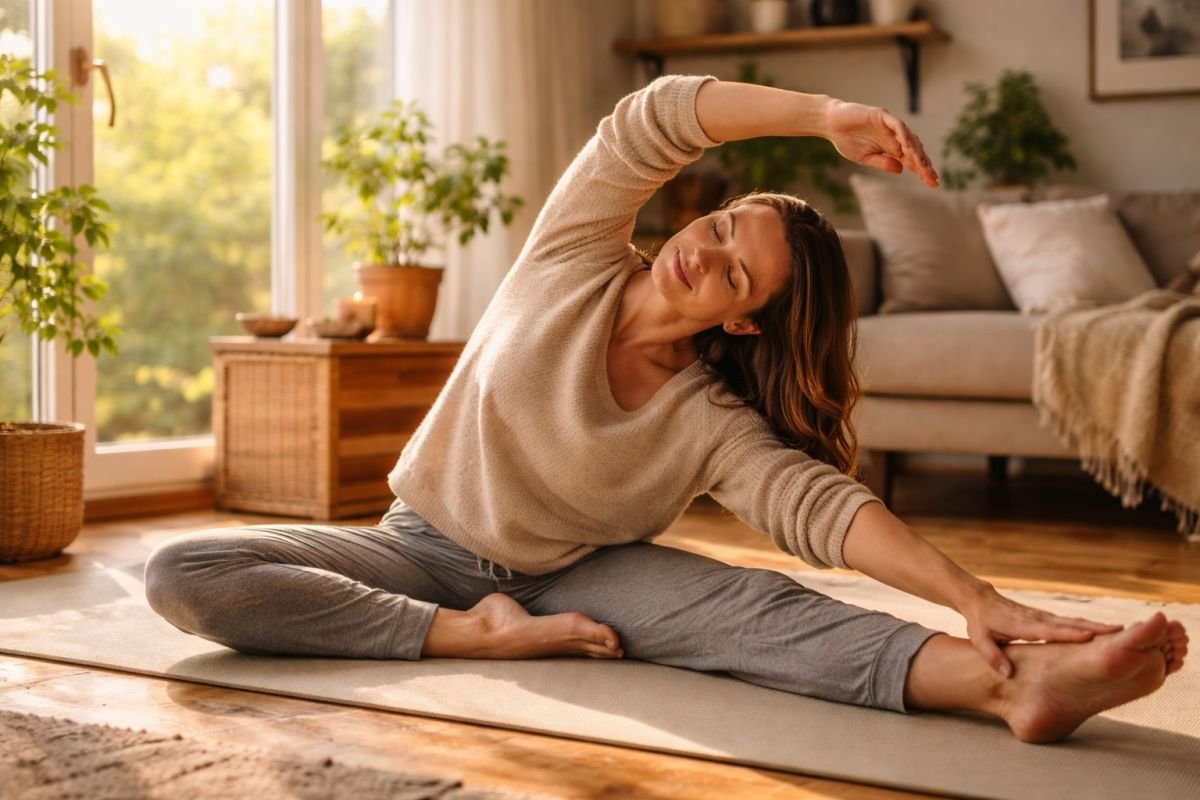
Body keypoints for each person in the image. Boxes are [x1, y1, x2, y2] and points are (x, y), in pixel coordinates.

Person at [145, 75, 1187, 744]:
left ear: (743, 320)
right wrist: (823, 116)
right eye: (722, 226)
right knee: (185, 572)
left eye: (737, 273)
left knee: (759, 613)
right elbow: (651, 120)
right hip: (419, 548)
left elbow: (819, 508)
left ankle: (1015, 687)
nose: (704, 253)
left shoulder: (707, 417)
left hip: (579, 574)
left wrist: (974, 594)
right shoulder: (572, 256)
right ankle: (470, 635)